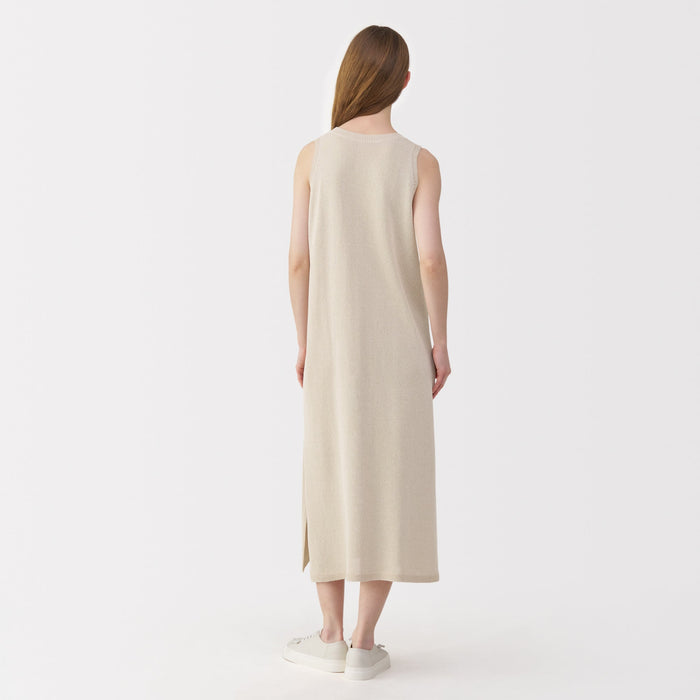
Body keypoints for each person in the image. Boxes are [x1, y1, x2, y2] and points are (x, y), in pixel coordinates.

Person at [284, 25, 450, 681]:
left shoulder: (313, 157)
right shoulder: (419, 162)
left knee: (329, 475)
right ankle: (362, 642)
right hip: (400, 351)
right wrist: (440, 340)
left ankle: (327, 634)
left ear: (350, 74)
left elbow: (298, 261)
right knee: (387, 481)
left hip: (332, 347)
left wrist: (305, 339)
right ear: (403, 82)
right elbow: (430, 259)